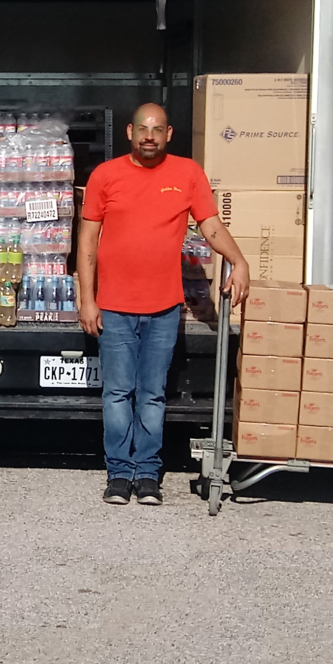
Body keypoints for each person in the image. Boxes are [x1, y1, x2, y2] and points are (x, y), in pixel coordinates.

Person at [77, 103, 250, 506]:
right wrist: (87, 299)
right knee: (117, 393)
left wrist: (239, 261)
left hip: (163, 308)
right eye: (143, 129)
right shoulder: (106, 175)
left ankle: (147, 474)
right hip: (114, 307)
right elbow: (87, 242)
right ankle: (119, 475)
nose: (149, 137)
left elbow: (211, 226)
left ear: (169, 134)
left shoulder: (187, 174)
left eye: (157, 130)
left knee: (152, 395)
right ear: (130, 132)